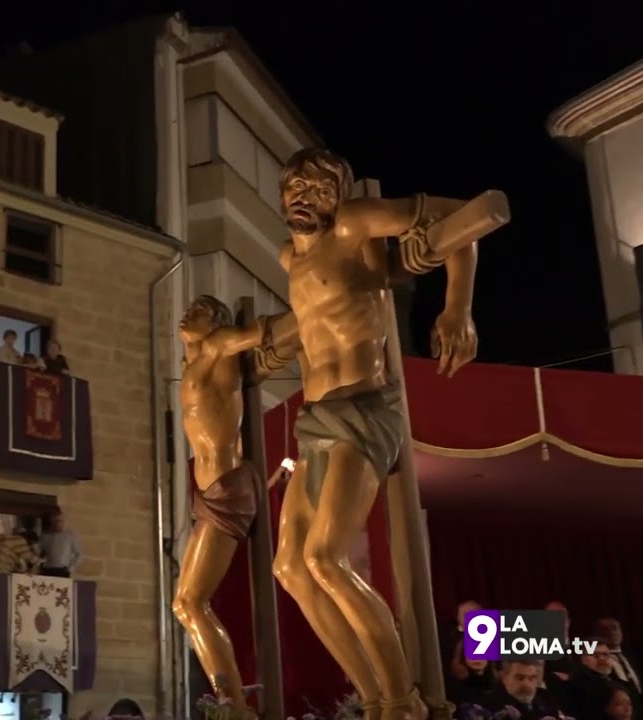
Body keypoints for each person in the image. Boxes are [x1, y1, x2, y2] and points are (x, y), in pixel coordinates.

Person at [270, 148, 503, 720]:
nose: (305, 196)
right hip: (314, 421)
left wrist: (457, 309)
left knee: (326, 558)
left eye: (319, 188)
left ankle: (404, 701)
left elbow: (463, 220)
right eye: (294, 187)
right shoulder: (287, 257)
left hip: (364, 407)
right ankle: (374, 698)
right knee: (290, 568)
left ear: (341, 195)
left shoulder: (355, 224)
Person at [170, 294, 296, 707]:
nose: (189, 314)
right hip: (210, 492)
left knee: (191, 602)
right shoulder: (194, 362)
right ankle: (232, 703)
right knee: (182, 605)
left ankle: (234, 706)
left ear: (217, 322)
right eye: (188, 309)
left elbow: (267, 330)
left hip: (227, 486)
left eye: (201, 311)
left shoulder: (217, 344)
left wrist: (318, 300)